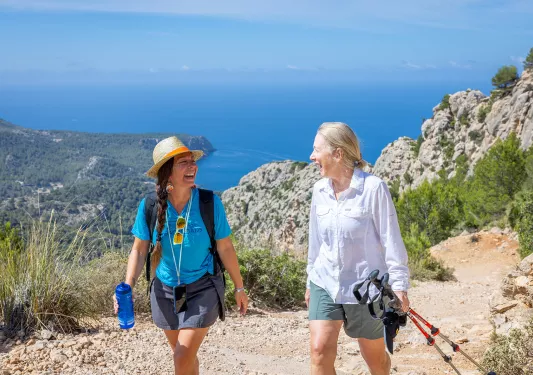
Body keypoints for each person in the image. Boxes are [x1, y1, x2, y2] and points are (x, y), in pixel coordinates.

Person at [114, 136, 248, 375]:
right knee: (183, 356)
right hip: (165, 290)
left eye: (192, 161)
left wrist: (239, 287)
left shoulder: (209, 203)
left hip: (202, 287)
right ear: (167, 173)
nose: (193, 166)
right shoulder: (150, 206)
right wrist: (128, 285)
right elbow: (139, 249)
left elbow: (225, 247)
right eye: (183, 163)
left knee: (182, 355)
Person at [306, 122, 410, 375]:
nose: (312, 157)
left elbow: (391, 239)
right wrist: (310, 281)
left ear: (338, 153)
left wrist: (399, 286)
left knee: (374, 358)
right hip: (325, 282)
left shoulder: (373, 188)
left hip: (366, 288)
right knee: (319, 351)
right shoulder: (319, 190)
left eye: (317, 150)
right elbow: (316, 241)